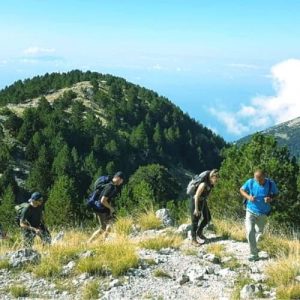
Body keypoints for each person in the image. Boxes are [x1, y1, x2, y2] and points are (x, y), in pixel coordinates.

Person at [240, 169, 278, 261]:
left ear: (264, 177)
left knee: (259, 233)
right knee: (249, 231)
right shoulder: (251, 182)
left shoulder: (270, 184)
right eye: (256, 179)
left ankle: (254, 246)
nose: (258, 181)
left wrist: (270, 199)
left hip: (263, 213)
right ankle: (254, 254)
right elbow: (241, 190)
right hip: (250, 210)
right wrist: (248, 197)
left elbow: (276, 194)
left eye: (260, 179)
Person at [88, 171, 125, 243]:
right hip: (101, 208)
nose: (121, 183)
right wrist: (111, 208)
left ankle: (102, 241)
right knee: (104, 227)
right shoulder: (110, 186)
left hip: (101, 208)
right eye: (121, 181)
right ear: (118, 178)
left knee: (108, 225)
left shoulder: (109, 184)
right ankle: (90, 242)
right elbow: (103, 200)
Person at [191, 169, 219, 246]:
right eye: (216, 178)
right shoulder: (203, 184)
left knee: (207, 218)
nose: (217, 180)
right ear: (212, 177)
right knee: (195, 220)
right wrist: (196, 209)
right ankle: (193, 240)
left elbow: (206, 194)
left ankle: (199, 232)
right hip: (196, 201)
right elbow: (196, 196)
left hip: (203, 201)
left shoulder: (210, 184)